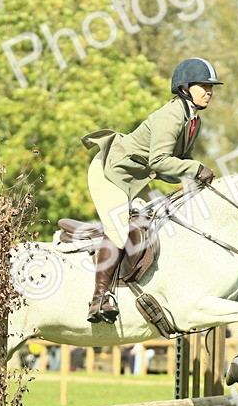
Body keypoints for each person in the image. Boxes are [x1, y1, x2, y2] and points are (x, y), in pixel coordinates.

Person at [81, 57, 223, 323]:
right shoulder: (172, 114)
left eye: (211, 87)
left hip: (136, 179)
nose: (209, 91)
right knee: (119, 228)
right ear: (184, 88)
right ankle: (99, 298)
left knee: (159, 221)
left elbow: (175, 166)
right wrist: (196, 169)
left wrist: (192, 182)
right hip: (110, 172)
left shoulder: (193, 120)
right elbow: (159, 160)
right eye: (203, 85)